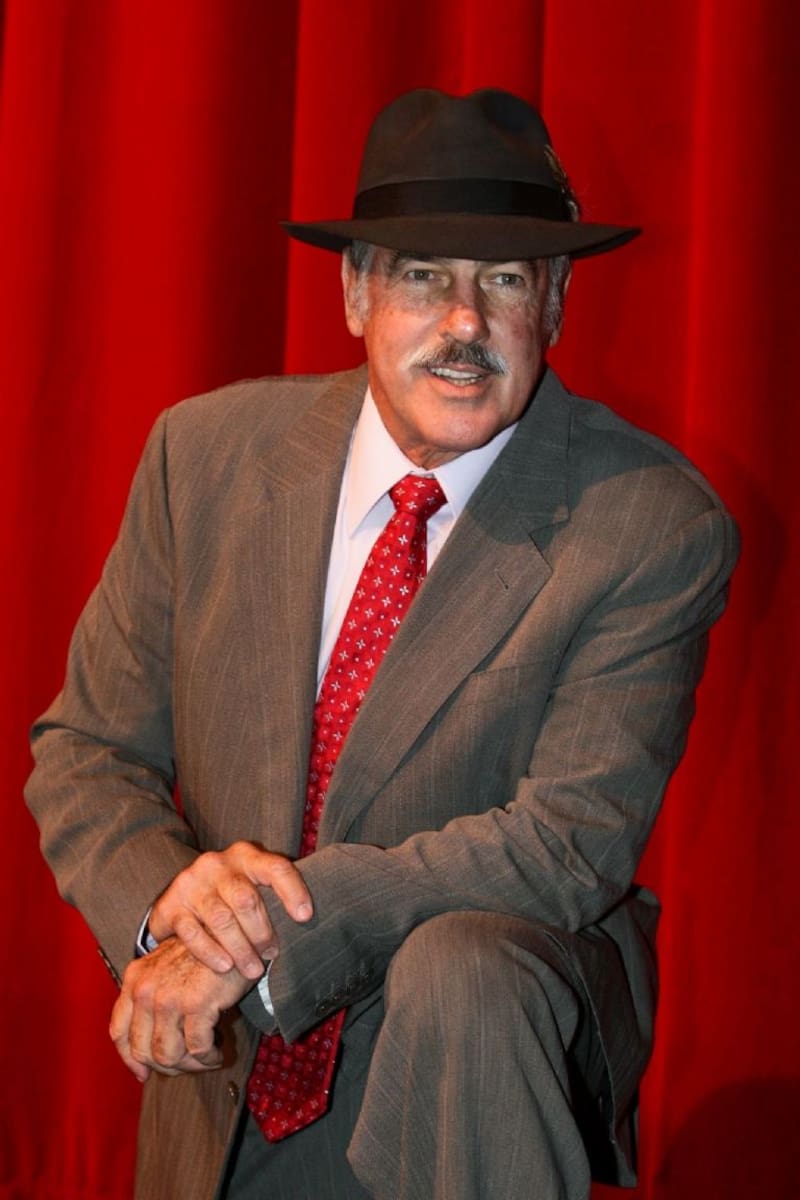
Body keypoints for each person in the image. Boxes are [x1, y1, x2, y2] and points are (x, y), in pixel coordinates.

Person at [25, 88, 738, 1200]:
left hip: (467, 1072)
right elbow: (86, 750)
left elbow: (563, 846)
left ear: (556, 301)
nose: (465, 324)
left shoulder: (650, 524)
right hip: (218, 1073)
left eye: (504, 282)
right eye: (422, 277)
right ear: (355, 290)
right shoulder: (201, 457)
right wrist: (172, 912)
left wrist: (258, 940)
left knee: (465, 965)